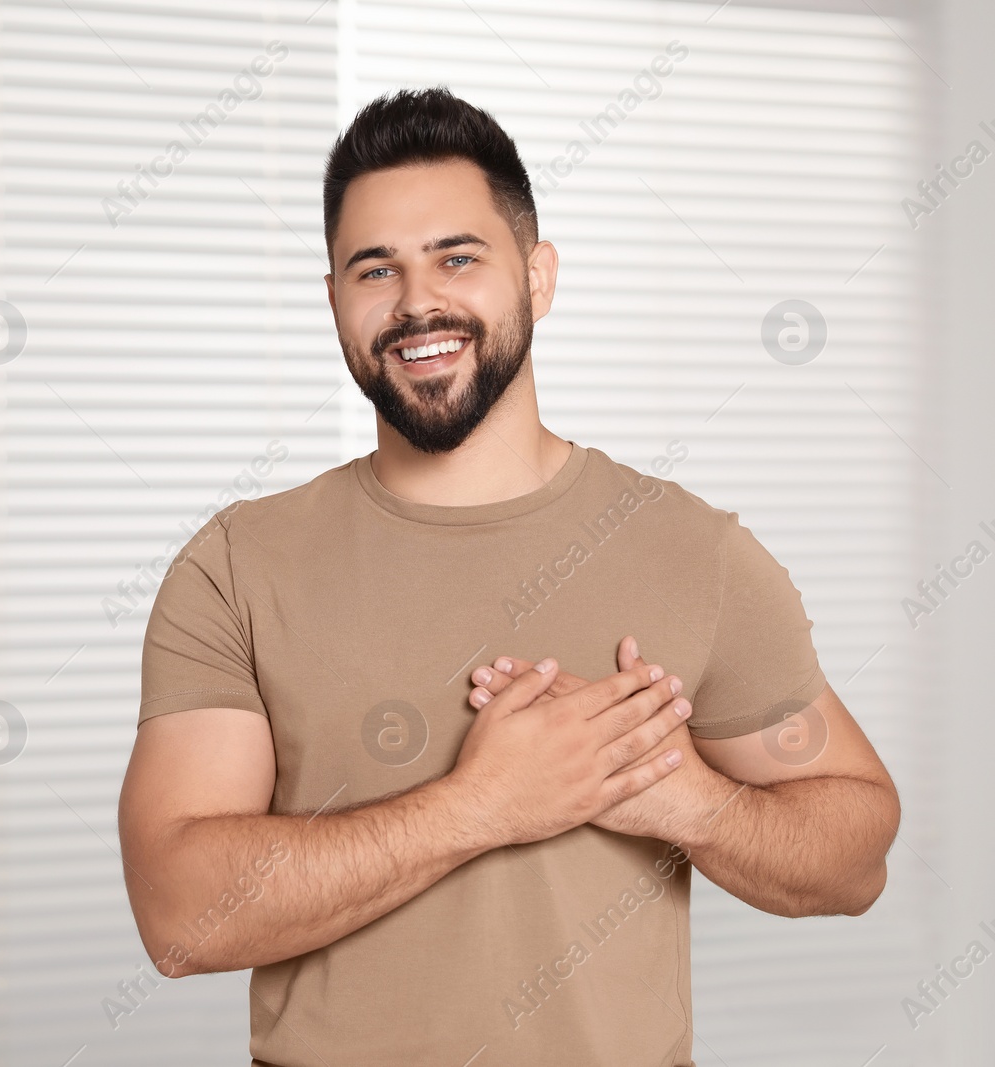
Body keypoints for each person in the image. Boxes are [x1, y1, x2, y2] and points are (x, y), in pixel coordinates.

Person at [117, 87, 899, 1066]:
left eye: (457, 256)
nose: (415, 302)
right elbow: (180, 912)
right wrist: (483, 803)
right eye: (375, 269)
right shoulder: (237, 565)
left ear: (537, 277)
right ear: (333, 301)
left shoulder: (689, 549)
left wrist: (682, 798)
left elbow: (855, 853)